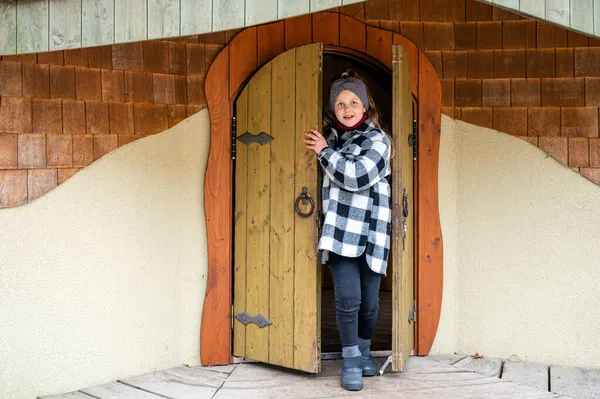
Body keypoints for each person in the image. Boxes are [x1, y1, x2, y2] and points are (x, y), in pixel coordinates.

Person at [303, 70, 392, 391]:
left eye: (354, 101)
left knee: (370, 302)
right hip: (340, 231)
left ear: (365, 105)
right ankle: (351, 359)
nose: (348, 107)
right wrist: (326, 148)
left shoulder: (379, 140)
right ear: (333, 108)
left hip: (372, 233)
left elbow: (355, 176)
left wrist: (325, 152)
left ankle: (366, 352)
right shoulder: (329, 138)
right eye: (340, 103)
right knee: (348, 299)